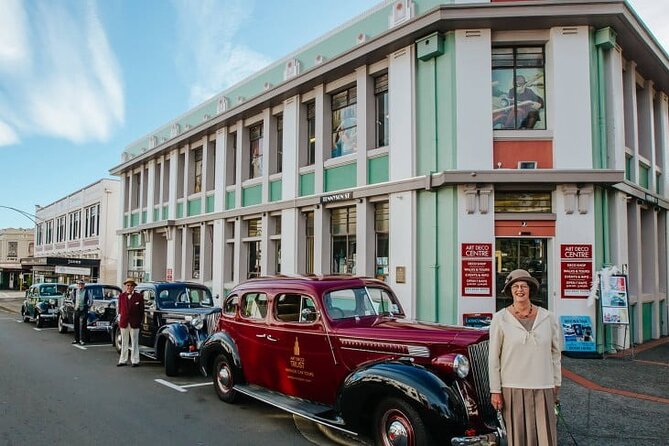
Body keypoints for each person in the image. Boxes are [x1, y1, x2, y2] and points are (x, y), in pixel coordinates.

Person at [488, 269, 561, 446]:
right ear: (510, 291)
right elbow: (493, 358)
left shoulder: (548, 318)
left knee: (545, 436)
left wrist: (556, 382)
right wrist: (495, 390)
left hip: (542, 384)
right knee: (517, 437)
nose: (519, 290)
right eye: (515, 286)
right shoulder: (500, 319)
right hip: (512, 386)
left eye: (523, 286)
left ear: (530, 290)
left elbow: (555, 353)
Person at [117, 278, 144, 367]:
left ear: (134, 287)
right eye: (128, 285)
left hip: (134, 322)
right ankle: (123, 360)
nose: (129, 287)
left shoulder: (139, 296)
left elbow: (141, 311)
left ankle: (135, 360)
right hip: (124, 321)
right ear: (125, 286)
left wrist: (140, 321)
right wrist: (119, 320)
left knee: (134, 342)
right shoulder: (121, 296)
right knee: (124, 341)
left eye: (131, 285)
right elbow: (120, 310)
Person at [71, 280, 90, 345]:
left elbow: (91, 300)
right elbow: (72, 299)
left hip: (83, 309)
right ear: (77, 285)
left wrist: (88, 306)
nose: (80, 285)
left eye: (82, 284)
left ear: (84, 285)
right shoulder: (75, 291)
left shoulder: (87, 291)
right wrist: (74, 305)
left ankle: (82, 340)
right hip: (77, 309)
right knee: (76, 324)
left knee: (83, 325)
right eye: (79, 284)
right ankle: (76, 339)